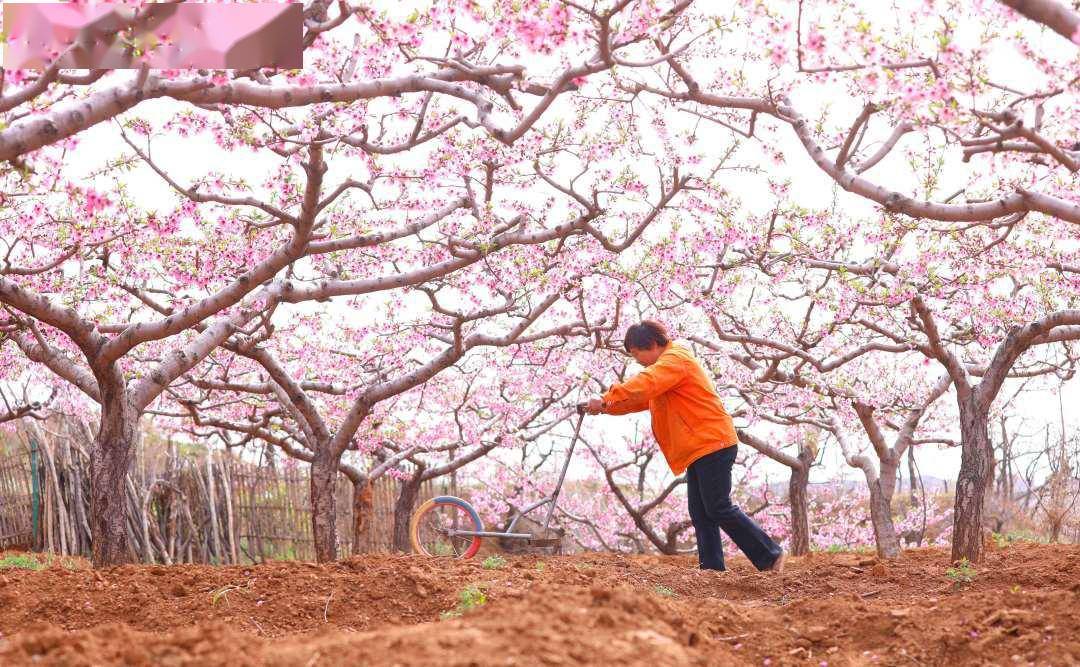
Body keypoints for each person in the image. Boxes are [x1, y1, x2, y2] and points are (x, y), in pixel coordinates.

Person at [585, 320, 784, 573]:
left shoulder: (675, 360)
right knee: (701, 513)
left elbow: (646, 383)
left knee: (718, 506)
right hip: (699, 446)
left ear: (653, 344)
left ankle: (770, 555)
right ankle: (712, 570)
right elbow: (639, 398)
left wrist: (605, 398)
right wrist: (605, 407)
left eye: (637, 353)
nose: (637, 361)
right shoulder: (665, 370)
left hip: (712, 441)